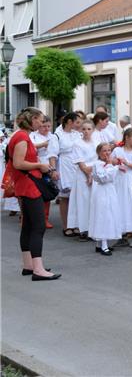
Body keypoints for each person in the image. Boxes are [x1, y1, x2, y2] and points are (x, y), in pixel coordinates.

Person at [5, 107, 60, 280]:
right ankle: (38, 269)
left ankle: (29, 266)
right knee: (38, 226)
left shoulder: (20, 135)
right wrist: (39, 165)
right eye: (40, 120)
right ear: (33, 119)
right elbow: (19, 163)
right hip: (29, 186)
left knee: (28, 226)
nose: (42, 123)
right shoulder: (22, 137)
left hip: (25, 185)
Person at [88, 143, 123, 256]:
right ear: (99, 153)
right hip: (102, 192)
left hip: (110, 191)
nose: (107, 153)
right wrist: (114, 167)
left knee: (109, 214)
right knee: (103, 215)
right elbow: (103, 178)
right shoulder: (98, 164)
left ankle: (101, 244)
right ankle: (103, 244)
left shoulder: (107, 164)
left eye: (109, 150)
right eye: (104, 151)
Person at [67, 120, 98, 241]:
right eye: (84, 129)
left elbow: (100, 158)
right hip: (82, 175)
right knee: (83, 201)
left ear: (93, 130)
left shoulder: (96, 142)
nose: (86, 131)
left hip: (95, 173)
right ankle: (83, 229)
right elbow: (81, 163)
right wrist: (88, 174)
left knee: (93, 201)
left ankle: (94, 228)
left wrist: (93, 174)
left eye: (89, 129)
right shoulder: (77, 143)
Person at [54, 112, 82, 237]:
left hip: (76, 166)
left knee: (75, 197)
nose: (79, 125)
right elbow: (53, 154)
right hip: (65, 166)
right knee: (65, 197)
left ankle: (76, 224)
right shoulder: (58, 135)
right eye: (77, 122)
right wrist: (53, 170)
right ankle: (66, 225)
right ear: (69, 122)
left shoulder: (77, 135)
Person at [30, 116, 58, 229]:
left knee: (47, 193)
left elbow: (56, 152)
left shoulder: (53, 136)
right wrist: (43, 144)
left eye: (48, 126)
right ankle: (29, 218)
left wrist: (54, 168)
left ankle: (45, 218)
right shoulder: (33, 135)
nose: (46, 129)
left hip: (49, 166)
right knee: (35, 194)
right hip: (36, 165)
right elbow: (30, 146)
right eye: (43, 126)